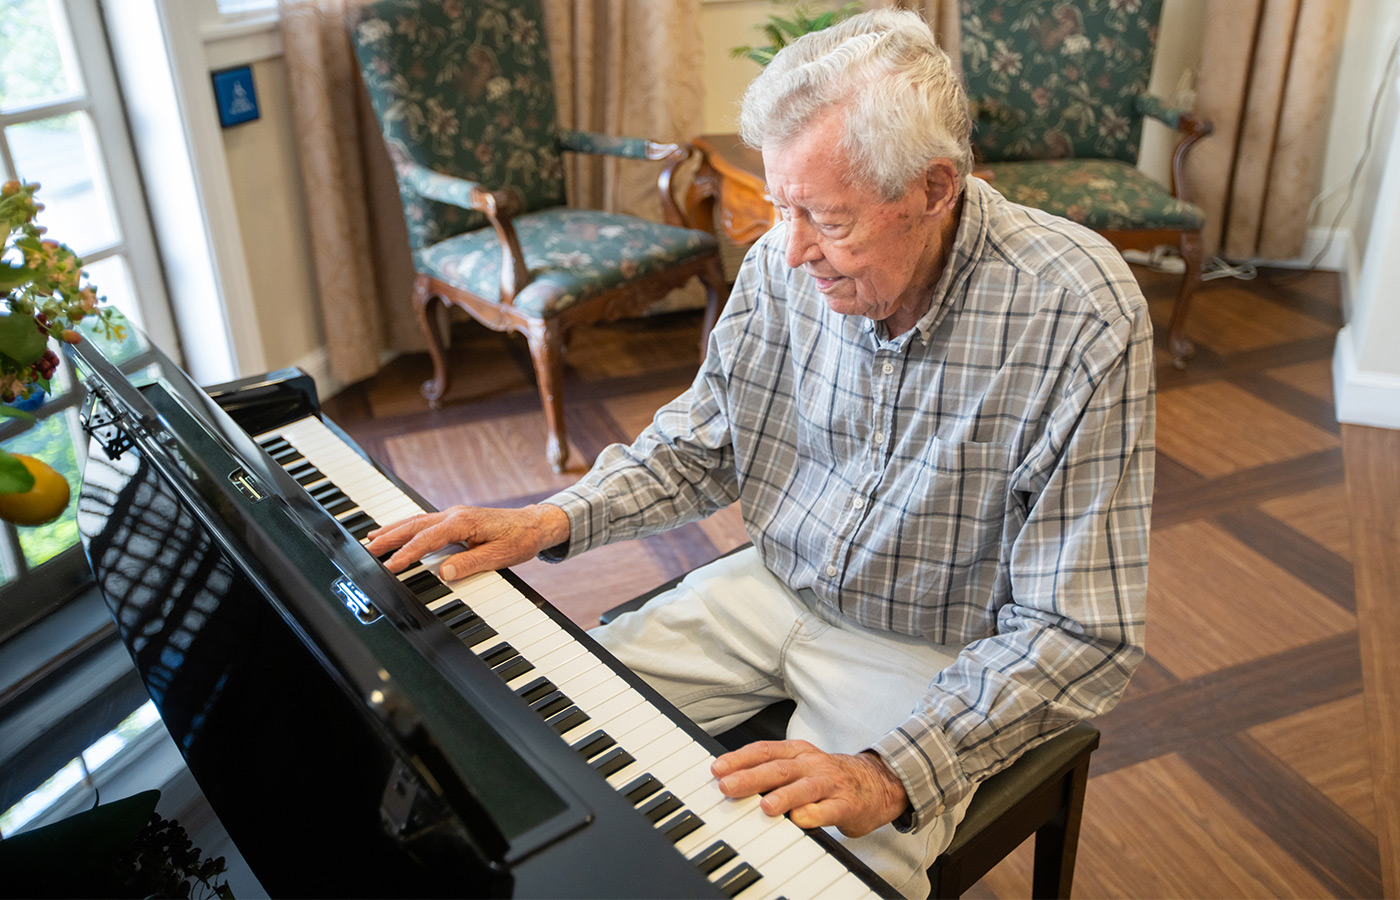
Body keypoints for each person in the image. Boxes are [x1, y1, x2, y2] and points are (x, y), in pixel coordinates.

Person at [366, 9, 1154, 897]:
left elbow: (1081, 631)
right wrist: (549, 519)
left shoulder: (1076, 313)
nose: (791, 248)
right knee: (542, 730)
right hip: (770, 583)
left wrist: (893, 773)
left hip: (934, 648)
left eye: (825, 216)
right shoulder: (786, 260)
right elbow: (704, 441)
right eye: (782, 205)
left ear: (935, 189)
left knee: (819, 875)